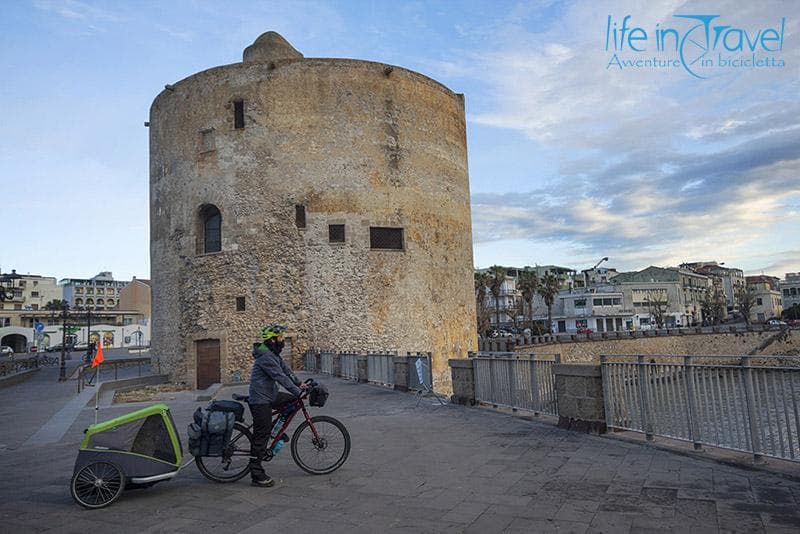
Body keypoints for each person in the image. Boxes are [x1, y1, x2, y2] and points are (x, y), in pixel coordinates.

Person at [248, 324, 307, 487]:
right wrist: (297, 391)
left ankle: (276, 431)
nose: (283, 341)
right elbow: (279, 376)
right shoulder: (265, 357)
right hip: (260, 400)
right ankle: (256, 473)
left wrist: (300, 384)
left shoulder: (273, 355)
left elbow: (286, 370)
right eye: (280, 338)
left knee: (292, 402)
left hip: (270, 395)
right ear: (272, 340)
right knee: (261, 436)